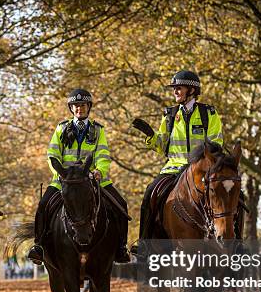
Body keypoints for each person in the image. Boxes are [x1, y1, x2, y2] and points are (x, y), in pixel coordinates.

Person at [27, 88, 130, 264]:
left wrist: (99, 171)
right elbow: (52, 155)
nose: (79, 109)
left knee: (121, 204)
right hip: (65, 180)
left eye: (82, 105)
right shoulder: (61, 129)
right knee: (43, 205)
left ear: (88, 107)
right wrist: (59, 174)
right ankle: (39, 246)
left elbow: (103, 155)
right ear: (71, 108)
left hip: (92, 179)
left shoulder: (98, 130)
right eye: (75, 106)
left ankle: (121, 247)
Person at [131, 70, 225, 244]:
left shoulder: (209, 113)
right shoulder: (170, 115)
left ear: (191, 90)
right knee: (150, 193)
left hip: (202, 170)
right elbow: (162, 146)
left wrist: (201, 162)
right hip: (173, 168)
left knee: (235, 194)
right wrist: (150, 135)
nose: (175, 91)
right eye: (174, 88)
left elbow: (216, 143)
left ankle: (236, 243)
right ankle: (143, 242)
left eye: (178, 88)